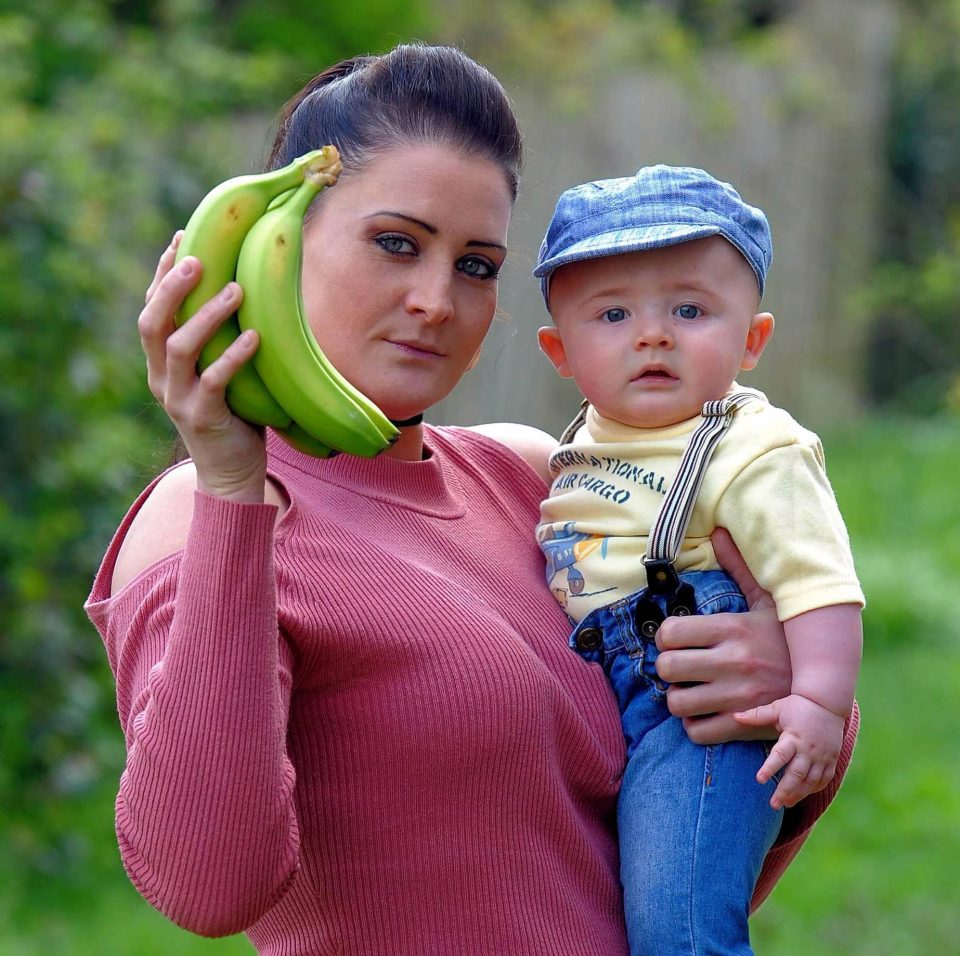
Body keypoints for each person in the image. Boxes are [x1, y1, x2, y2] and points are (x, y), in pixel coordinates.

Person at [85, 46, 858, 954]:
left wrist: (795, 693)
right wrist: (226, 483)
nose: (435, 300)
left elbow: (673, 844)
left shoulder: (543, 478)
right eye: (396, 243)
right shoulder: (204, 519)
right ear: (276, 246)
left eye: (478, 265)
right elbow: (208, 885)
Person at [533, 164, 864, 954]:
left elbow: (819, 584)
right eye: (612, 314)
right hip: (614, 693)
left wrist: (816, 701)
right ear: (561, 353)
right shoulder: (584, 443)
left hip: (701, 719)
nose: (654, 334)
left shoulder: (752, 449)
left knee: (679, 927)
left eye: (690, 309)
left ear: (753, 340)